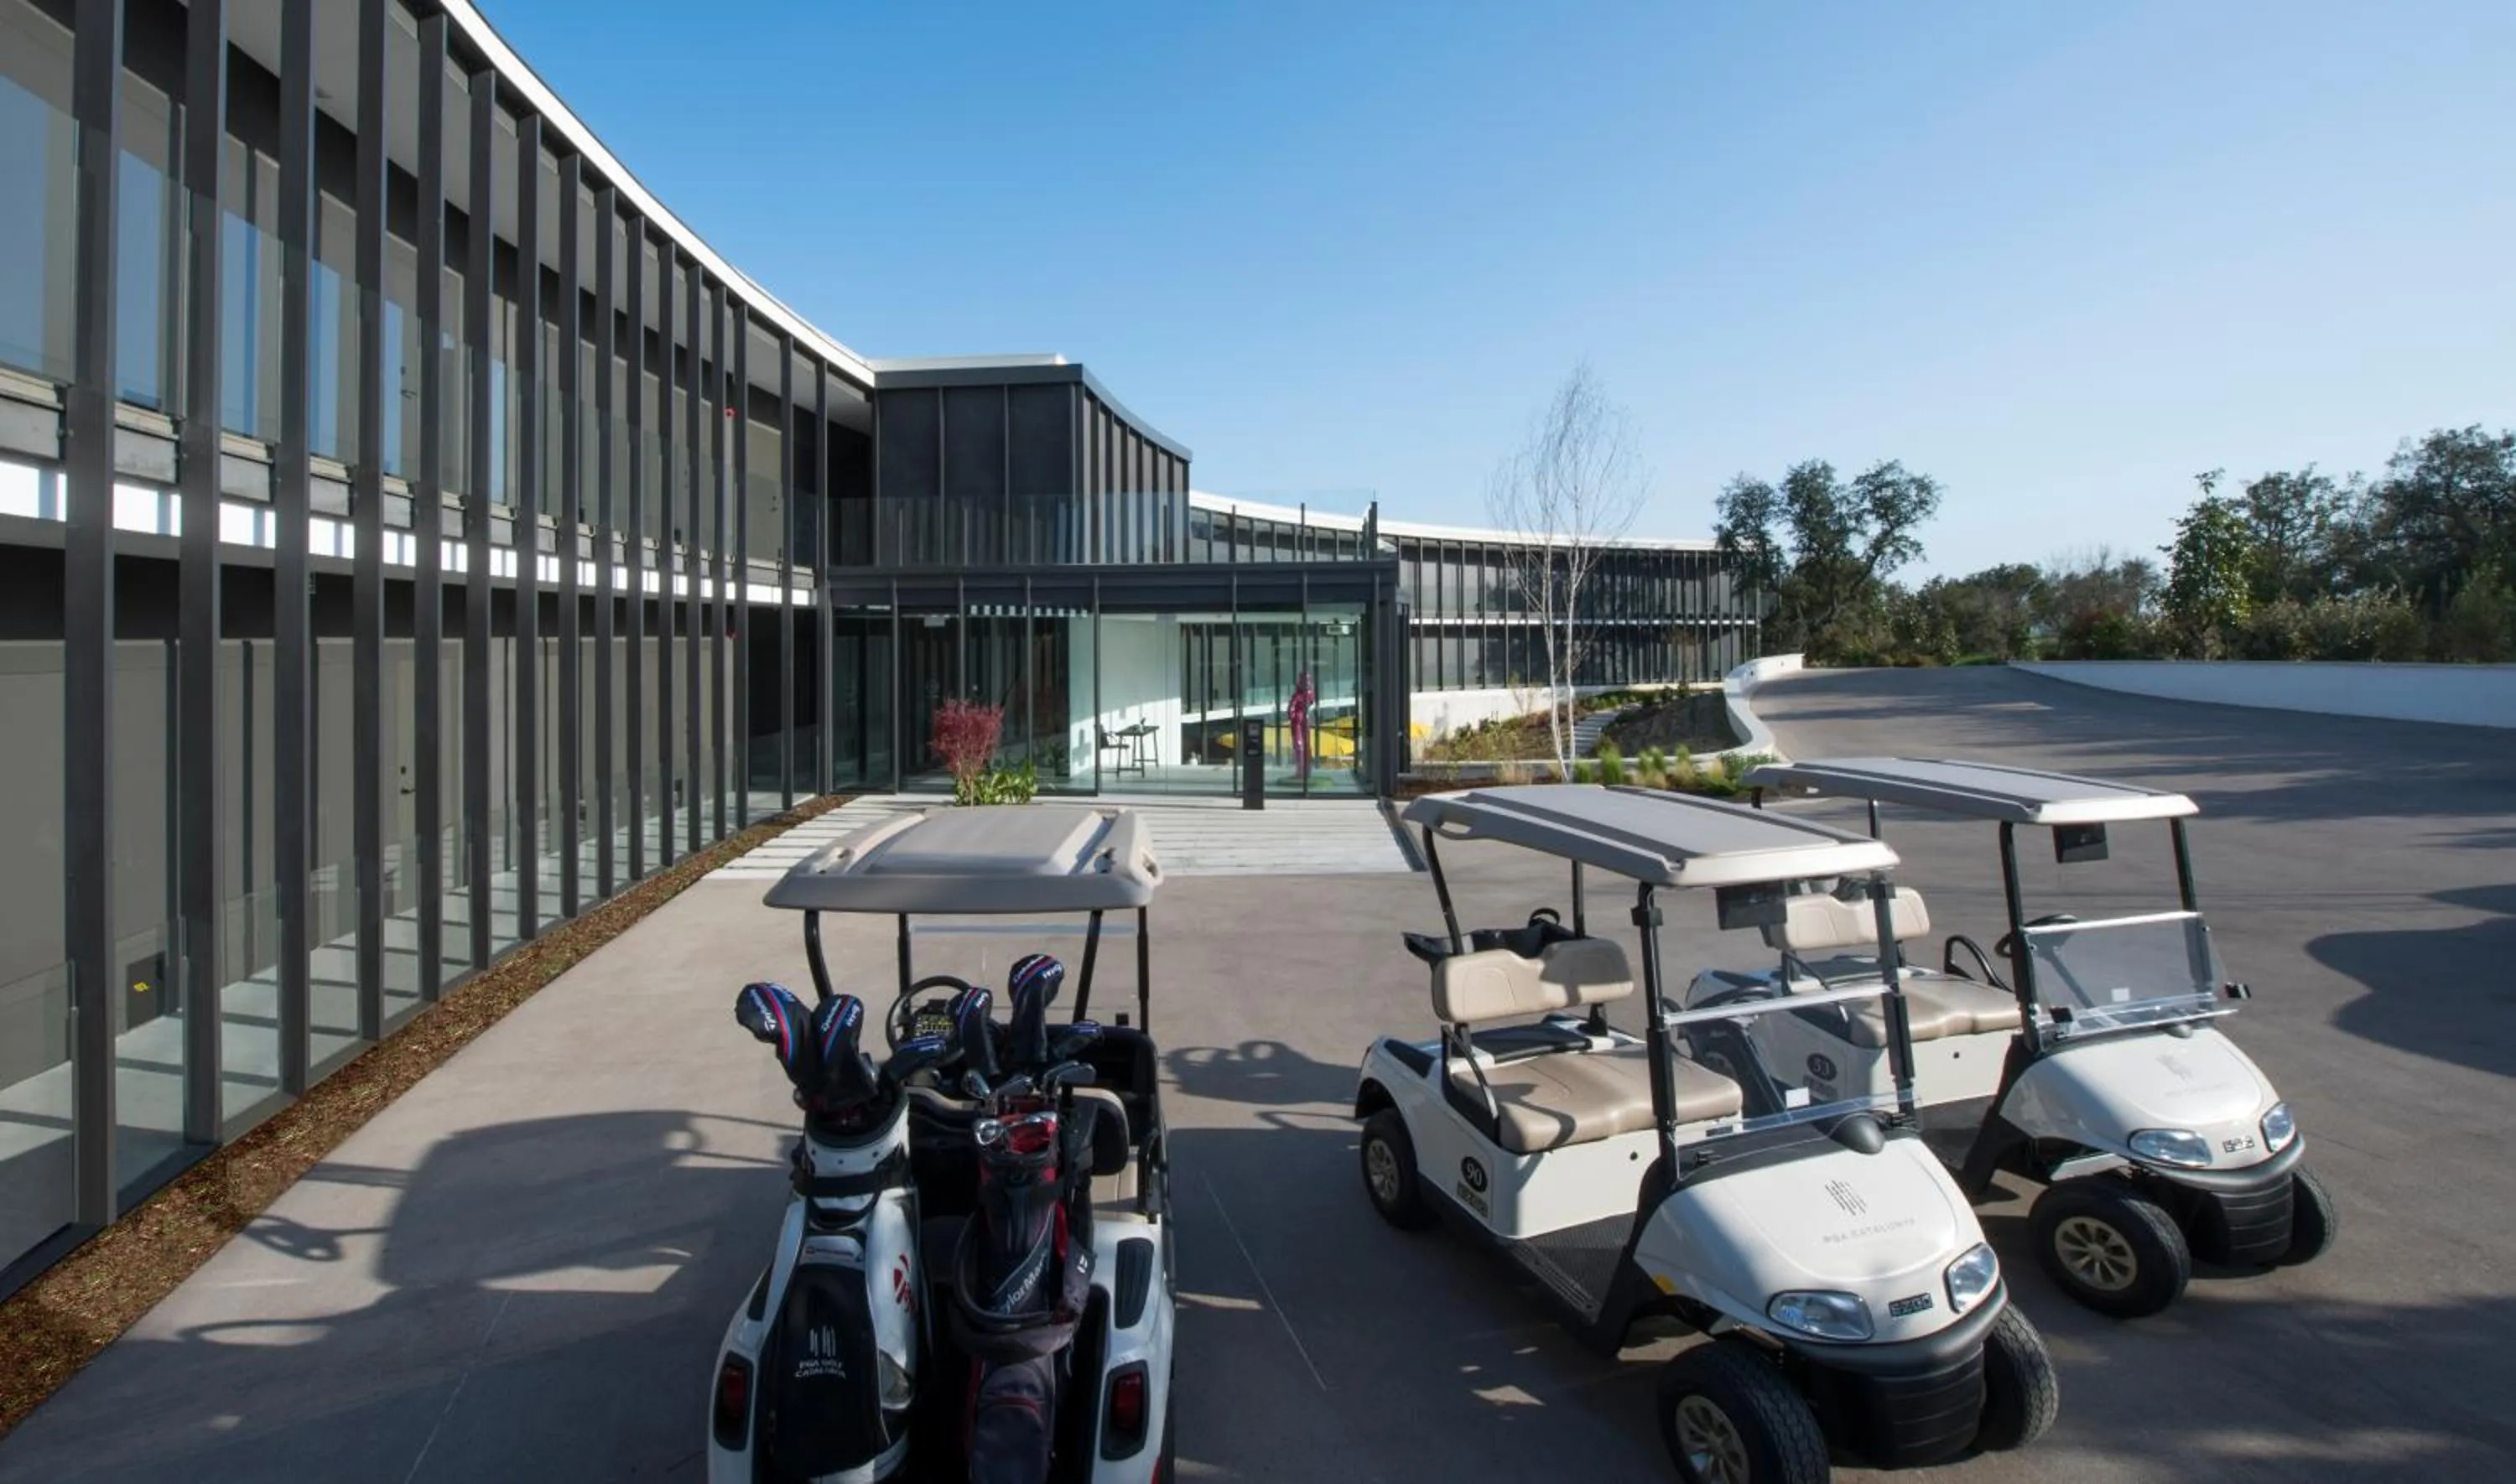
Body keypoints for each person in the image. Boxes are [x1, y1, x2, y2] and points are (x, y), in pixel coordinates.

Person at [1290, 671, 1316, 781]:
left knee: (1307, 745)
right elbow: (1291, 708)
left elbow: (1312, 703)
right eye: (1304, 681)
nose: (1306, 683)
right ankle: (1300, 771)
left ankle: (1307, 771)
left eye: (1308, 681)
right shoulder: (1297, 696)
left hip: (1305, 721)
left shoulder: (1310, 694)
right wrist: (1294, 715)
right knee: (1299, 746)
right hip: (1298, 722)